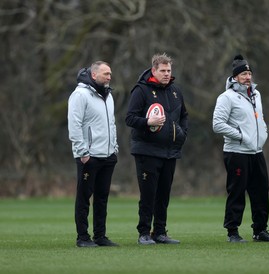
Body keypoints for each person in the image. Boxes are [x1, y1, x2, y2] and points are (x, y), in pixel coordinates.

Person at [212, 55, 269, 243]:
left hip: (256, 152)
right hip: (236, 152)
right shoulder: (226, 97)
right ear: (235, 77)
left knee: (261, 191)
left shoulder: (256, 94)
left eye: (249, 73)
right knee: (237, 191)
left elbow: (260, 119)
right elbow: (217, 124)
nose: (248, 77)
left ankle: (260, 231)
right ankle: (232, 232)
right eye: (243, 74)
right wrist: (242, 135)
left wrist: (263, 134)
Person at [126, 53, 188, 245]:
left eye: (169, 70)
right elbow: (129, 118)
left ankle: (159, 232)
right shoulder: (141, 90)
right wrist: (148, 122)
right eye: (163, 70)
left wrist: (182, 133)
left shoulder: (175, 91)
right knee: (148, 194)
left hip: (170, 152)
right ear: (154, 70)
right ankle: (144, 233)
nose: (167, 74)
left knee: (163, 195)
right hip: (147, 151)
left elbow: (184, 115)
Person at [68, 61, 119, 247]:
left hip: (108, 155)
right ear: (94, 75)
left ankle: (100, 236)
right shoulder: (80, 95)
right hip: (89, 156)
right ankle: (82, 237)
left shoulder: (109, 95)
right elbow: (74, 125)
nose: (109, 77)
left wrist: (114, 147)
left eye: (110, 73)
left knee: (102, 198)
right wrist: (83, 151)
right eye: (106, 73)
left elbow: (111, 124)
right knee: (84, 197)